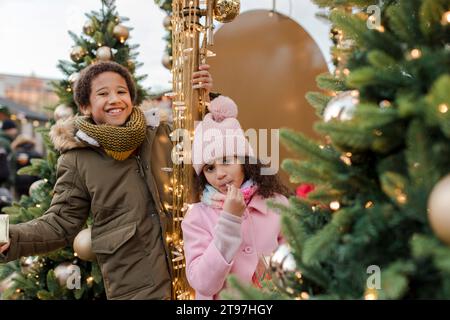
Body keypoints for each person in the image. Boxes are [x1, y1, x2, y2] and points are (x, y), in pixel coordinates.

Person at [0, 61, 213, 300]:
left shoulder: (163, 135)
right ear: (85, 106)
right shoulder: (78, 159)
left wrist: (205, 99)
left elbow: (213, 151)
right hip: (137, 286)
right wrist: (9, 236)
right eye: (103, 94)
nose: (115, 99)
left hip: (197, 275)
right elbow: (60, 223)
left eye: (121, 91)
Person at [181, 96, 290, 299]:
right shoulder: (197, 217)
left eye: (226, 161)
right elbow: (204, 284)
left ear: (245, 162)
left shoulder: (277, 204)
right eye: (209, 168)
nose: (219, 174)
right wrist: (229, 221)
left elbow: (294, 266)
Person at [0, 119, 18, 187]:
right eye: (14, 128)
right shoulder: (4, 142)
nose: (16, 131)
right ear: (8, 129)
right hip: (4, 181)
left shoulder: (7, 141)